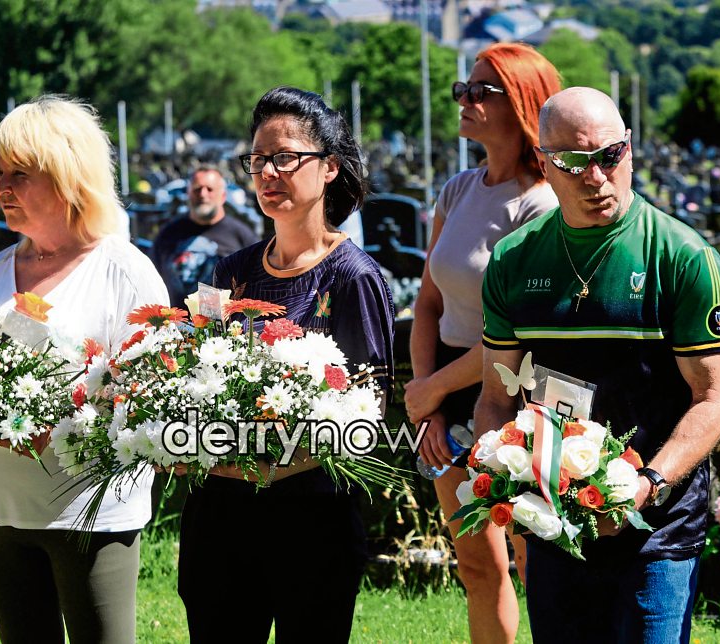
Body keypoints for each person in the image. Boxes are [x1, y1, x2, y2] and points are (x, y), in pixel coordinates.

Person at [477, 87, 720, 643]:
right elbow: (497, 397)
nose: (594, 176)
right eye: (573, 162)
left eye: (609, 156)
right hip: (557, 520)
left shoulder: (685, 258)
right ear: (545, 164)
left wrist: (647, 485)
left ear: (630, 152)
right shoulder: (514, 260)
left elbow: (715, 401)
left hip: (658, 523)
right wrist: (506, 489)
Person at [177, 86, 395, 643]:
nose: (269, 172)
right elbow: (181, 366)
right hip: (218, 519)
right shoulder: (229, 271)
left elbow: (370, 414)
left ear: (329, 168)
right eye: (258, 160)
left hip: (311, 524)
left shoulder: (354, 277)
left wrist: (270, 463)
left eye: (286, 157)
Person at [0, 95, 169, 644]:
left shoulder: (125, 271)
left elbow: (155, 395)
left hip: (91, 511)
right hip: (0, 505)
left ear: (67, 176)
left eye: (20, 174)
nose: (1, 188)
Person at [405, 42, 560, 644]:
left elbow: (517, 337)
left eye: (480, 91)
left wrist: (429, 392)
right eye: (462, 90)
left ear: (521, 103)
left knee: (534, 557)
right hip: (443, 381)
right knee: (476, 562)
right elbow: (427, 304)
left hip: (515, 390)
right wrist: (429, 401)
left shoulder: (541, 204)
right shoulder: (457, 190)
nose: (464, 100)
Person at [152, 166, 258, 306]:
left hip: (227, 326)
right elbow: (152, 280)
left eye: (210, 189)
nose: (203, 194)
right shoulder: (168, 234)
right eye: (197, 189)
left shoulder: (242, 236)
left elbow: (257, 284)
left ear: (223, 196)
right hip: (174, 324)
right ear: (188, 194)